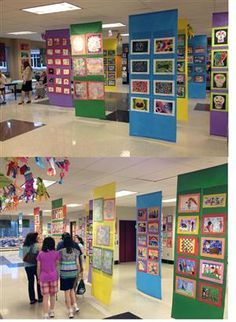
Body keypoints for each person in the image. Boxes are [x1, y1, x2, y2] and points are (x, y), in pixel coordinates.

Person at [37, 237, 60, 319]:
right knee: (53, 295)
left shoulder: (40, 254)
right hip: (53, 276)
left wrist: (38, 277)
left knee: (45, 296)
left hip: (43, 277)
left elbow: (39, 267)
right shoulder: (56, 253)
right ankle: (52, 311)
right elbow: (57, 264)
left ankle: (45, 314)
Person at [59, 234, 82, 318]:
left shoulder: (61, 252)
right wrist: (78, 273)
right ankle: (75, 306)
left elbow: (58, 263)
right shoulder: (76, 251)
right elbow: (78, 264)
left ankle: (70, 311)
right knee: (72, 290)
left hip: (64, 273)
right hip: (73, 272)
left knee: (67, 292)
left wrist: (58, 273)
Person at [22, 232, 43, 304]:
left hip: (27, 266)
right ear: (34, 238)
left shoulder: (24, 246)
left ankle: (32, 299)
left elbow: (22, 256)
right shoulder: (37, 245)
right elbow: (41, 255)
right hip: (36, 265)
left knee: (30, 282)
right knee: (39, 281)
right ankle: (40, 297)